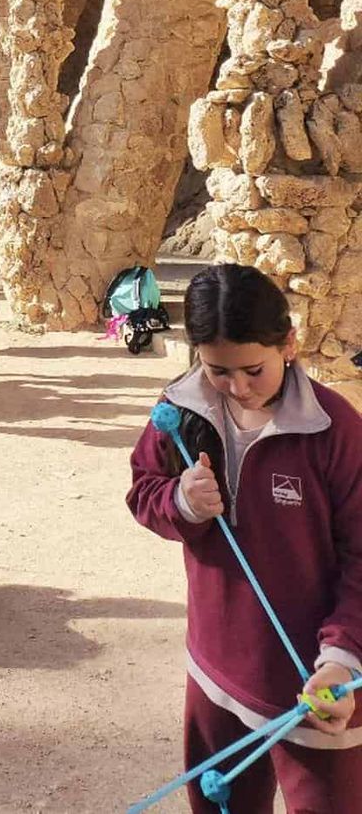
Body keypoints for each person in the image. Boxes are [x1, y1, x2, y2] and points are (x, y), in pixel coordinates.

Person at [127, 264, 362, 812]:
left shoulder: (335, 429)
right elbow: (143, 492)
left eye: (254, 369)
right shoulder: (178, 411)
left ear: (289, 344)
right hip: (216, 670)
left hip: (315, 680)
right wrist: (181, 502)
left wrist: (343, 656)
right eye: (218, 371)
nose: (238, 388)